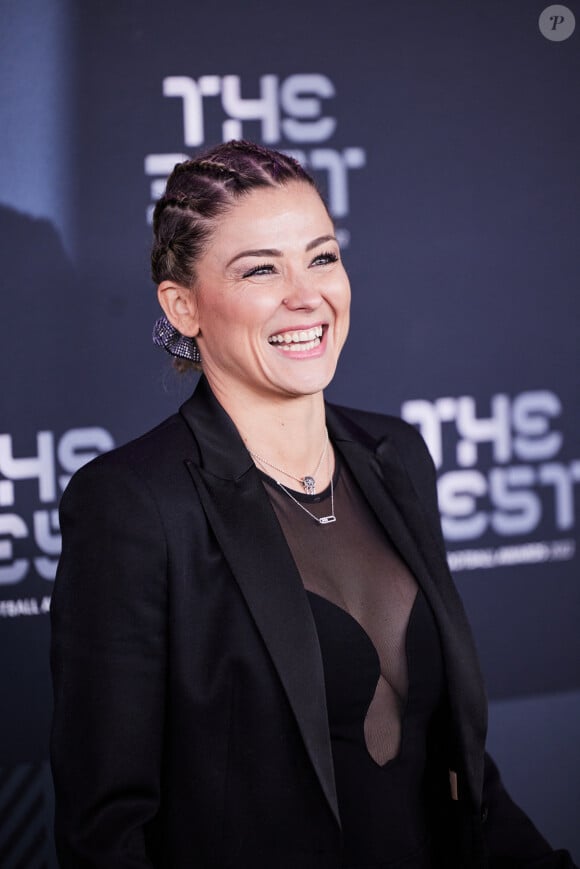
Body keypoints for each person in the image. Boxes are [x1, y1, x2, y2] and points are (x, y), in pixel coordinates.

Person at [50, 140, 576, 869]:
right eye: (262, 268)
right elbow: (106, 832)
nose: (307, 294)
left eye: (321, 256)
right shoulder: (134, 504)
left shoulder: (396, 455)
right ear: (183, 305)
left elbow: (459, 773)